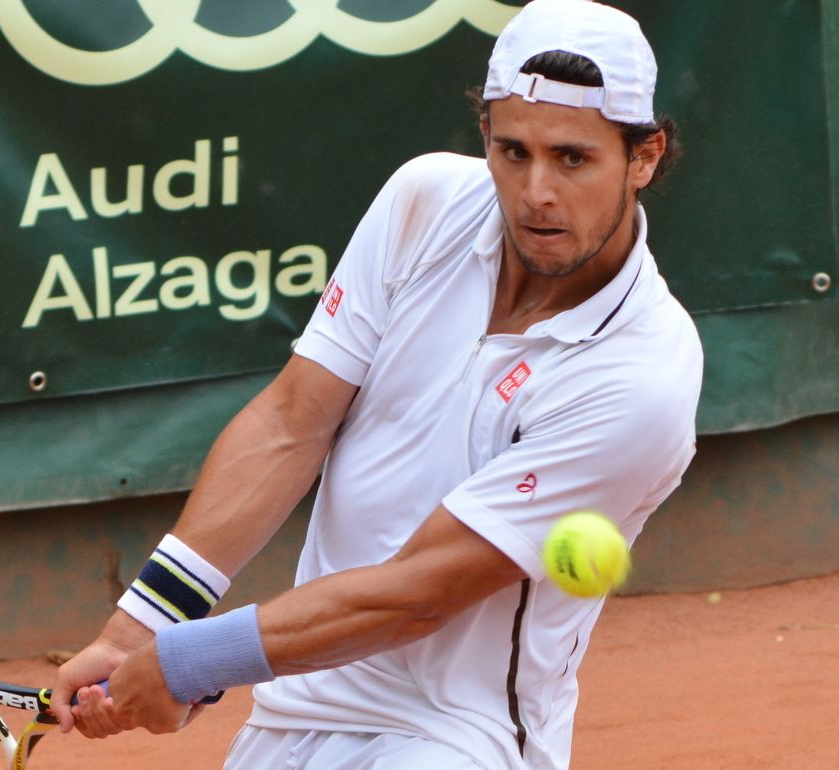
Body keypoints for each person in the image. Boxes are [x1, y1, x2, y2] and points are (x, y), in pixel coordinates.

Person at [50, 1, 702, 767]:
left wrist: (189, 662)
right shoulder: (424, 201)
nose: (536, 194)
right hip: (293, 714)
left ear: (645, 155)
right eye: (512, 151)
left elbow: (419, 590)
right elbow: (292, 423)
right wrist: (144, 625)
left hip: (456, 739)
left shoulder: (642, 374)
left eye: (572, 158)